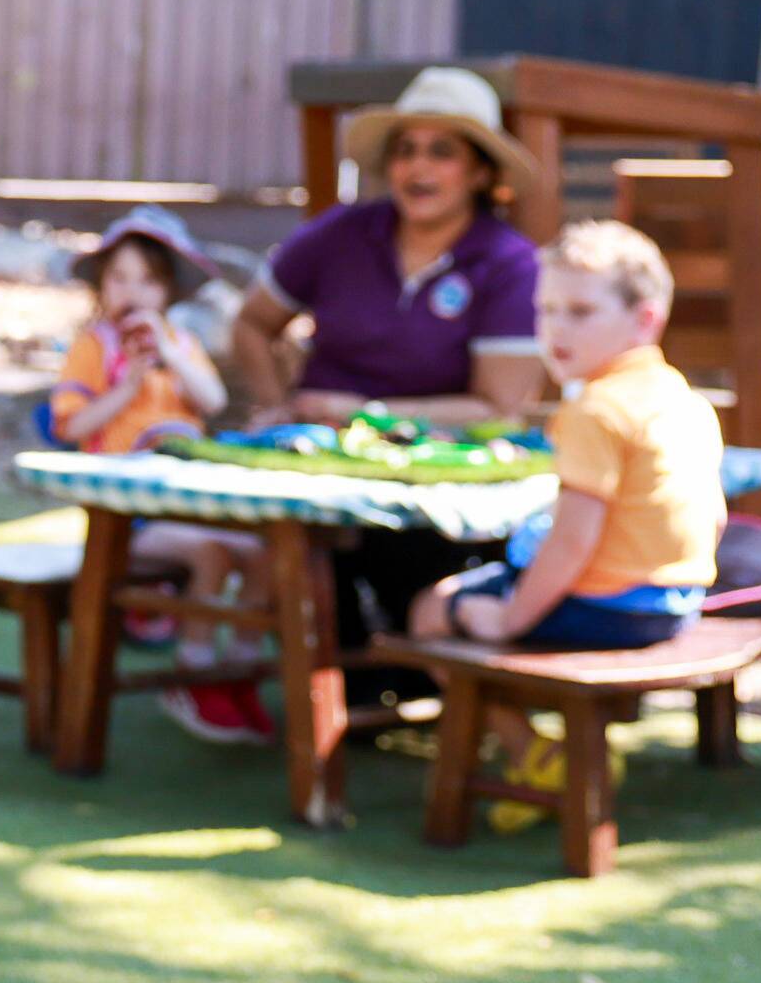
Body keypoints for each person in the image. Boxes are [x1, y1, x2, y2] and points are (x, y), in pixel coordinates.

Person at [226, 65, 551, 645]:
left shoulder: (509, 264)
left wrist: (365, 412)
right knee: (302, 557)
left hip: (438, 486)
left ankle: (402, 663)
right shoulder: (341, 234)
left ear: (480, 171)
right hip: (319, 467)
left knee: (413, 589)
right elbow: (252, 323)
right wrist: (275, 404)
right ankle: (307, 667)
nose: (418, 168)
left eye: (441, 152)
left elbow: (499, 409)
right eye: (406, 150)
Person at [410, 220, 721, 817]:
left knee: (432, 609)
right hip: (672, 605)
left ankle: (534, 755)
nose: (555, 328)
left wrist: (511, 618)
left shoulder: (596, 410)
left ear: (645, 320)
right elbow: (713, 519)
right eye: (546, 310)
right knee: (492, 587)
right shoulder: (686, 401)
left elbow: (573, 542)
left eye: (579, 311)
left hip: (605, 608)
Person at [43, 204, 271, 746]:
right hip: (128, 520)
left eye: (147, 280)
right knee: (212, 554)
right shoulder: (93, 346)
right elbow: (69, 426)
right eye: (119, 278)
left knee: (264, 553)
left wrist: (169, 353)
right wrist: (127, 387)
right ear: (101, 284)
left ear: (168, 290)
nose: (133, 292)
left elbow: (213, 400)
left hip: (188, 507)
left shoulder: (181, 344)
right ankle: (192, 675)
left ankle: (238, 671)